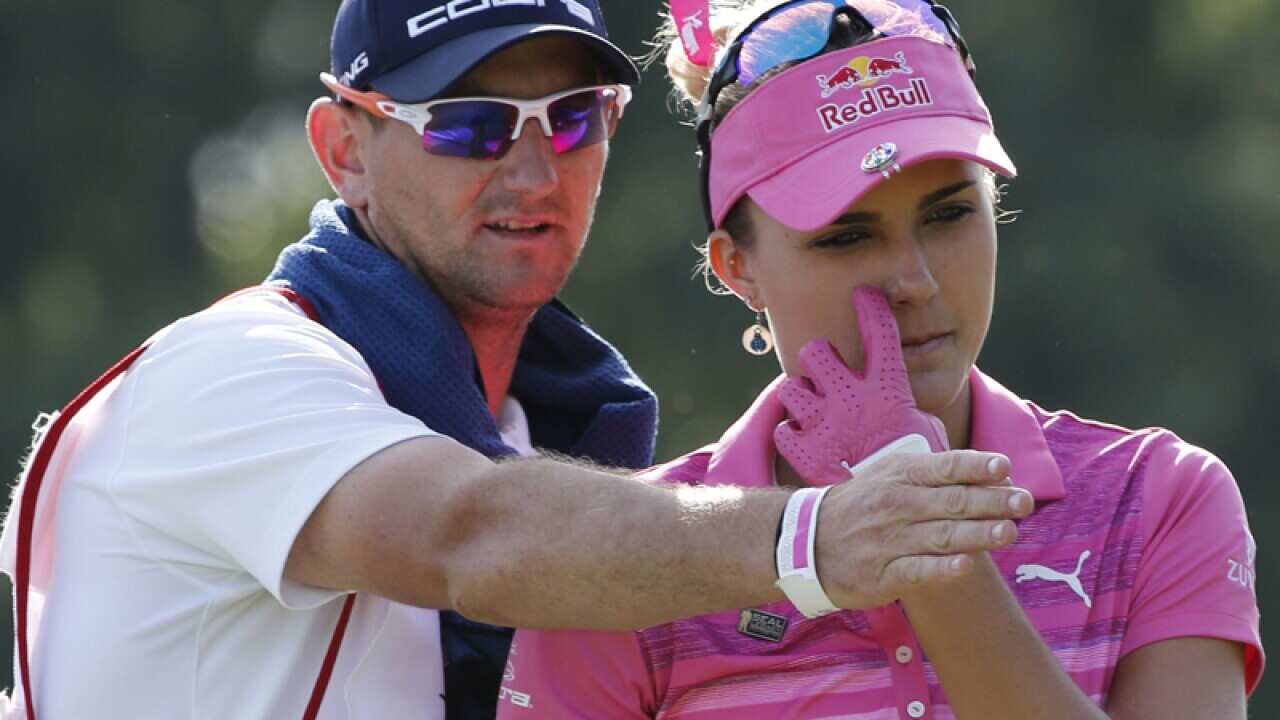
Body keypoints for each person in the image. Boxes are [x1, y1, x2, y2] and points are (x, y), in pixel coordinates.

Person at [0, 0, 1033, 718]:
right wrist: (824, 532)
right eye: (468, 127)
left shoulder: (544, 421)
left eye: (575, 118)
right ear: (343, 149)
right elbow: (467, 534)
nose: (535, 169)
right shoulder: (230, 369)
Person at [499, 1, 1265, 717]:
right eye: (847, 236)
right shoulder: (621, 565)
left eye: (951, 214)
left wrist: (910, 507)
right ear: (739, 269)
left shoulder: (1160, 498)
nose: (916, 281)